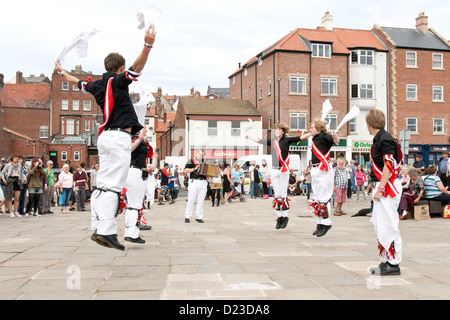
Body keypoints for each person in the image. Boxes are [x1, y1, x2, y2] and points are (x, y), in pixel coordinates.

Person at [55, 26, 156, 251]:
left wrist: (62, 71)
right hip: (120, 136)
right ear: (119, 68)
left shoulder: (96, 85)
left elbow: (75, 82)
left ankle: (98, 225)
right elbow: (136, 69)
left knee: (103, 183)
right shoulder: (118, 81)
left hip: (104, 138)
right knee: (114, 184)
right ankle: (107, 231)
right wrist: (147, 46)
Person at [246, 123, 307, 229]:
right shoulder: (273, 141)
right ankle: (279, 217)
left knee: (283, 193)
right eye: (276, 129)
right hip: (274, 169)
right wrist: (249, 137)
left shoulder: (286, 140)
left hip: (283, 170)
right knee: (277, 194)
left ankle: (285, 216)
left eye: (279, 130)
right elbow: (260, 141)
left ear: (283, 131)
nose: (276, 131)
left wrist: (310, 133)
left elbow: (300, 138)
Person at [366, 109, 403, 276]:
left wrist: (380, 189)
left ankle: (394, 263)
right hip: (385, 184)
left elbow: (388, 164)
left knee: (389, 224)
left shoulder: (385, 138)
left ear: (368, 124)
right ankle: (388, 259)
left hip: (388, 186)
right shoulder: (381, 138)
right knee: (380, 224)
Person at [307, 120, 340, 237]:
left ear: (318, 128)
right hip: (316, 169)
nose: (309, 129)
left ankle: (326, 223)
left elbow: (336, 141)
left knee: (324, 196)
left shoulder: (325, 136)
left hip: (324, 168)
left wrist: (335, 137)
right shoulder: (314, 138)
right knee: (316, 196)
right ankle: (319, 223)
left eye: (311, 127)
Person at [123, 127, 152, 244]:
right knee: (135, 203)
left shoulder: (136, 139)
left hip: (136, 171)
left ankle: (129, 231)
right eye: (143, 128)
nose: (145, 129)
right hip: (134, 171)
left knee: (133, 203)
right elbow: (129, 149)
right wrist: (140, 138)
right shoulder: (132, 138)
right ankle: (131, 232)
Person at [184, 150, 208, 223]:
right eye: (200, 154)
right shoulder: (191, 161)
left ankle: (199, 217)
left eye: (202, 155)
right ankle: (187, 216)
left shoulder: (205, 162)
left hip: (203, 181)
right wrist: (194, 169)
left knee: (201, 200)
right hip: (194, 181)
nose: (201, 156)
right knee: (191, 199)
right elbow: (185, 170)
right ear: (197, 153)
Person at [0, 153, 24, 217]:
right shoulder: (8, 165)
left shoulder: (19, 165)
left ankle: (15, 211)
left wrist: (22, 179)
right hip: (11, 180)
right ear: (12, 158)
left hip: (17, 181)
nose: (16, 159)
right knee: (10, 197)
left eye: (17, 158)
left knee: (17, 198)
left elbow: (21, 173)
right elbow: (2, 173)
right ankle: (10, 211)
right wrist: (4, 180)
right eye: (15, 157)